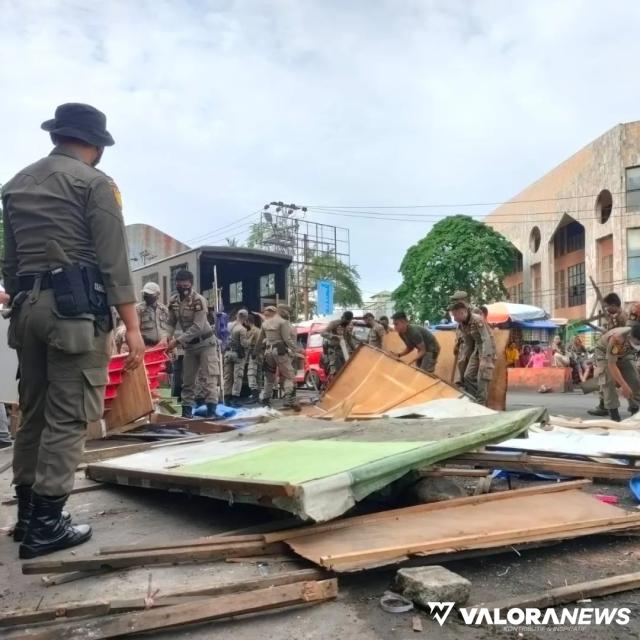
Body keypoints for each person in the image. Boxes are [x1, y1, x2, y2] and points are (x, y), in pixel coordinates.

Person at [2, 103, 145, 558]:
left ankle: (26, 518)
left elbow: (9, 264)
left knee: (35, 415)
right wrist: (133, 326)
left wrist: (24, 294)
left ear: (56, 137)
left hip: (27, 311)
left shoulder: (15, 185)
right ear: (97, 146)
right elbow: (113, 261)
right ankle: (48, 526)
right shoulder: (97, 184)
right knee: (68, 418)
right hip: (75, 317)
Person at [167, 270, 220, 418]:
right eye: (179, 284)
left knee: (209, 379)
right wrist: (165, 338)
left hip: (205, 343)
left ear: (191, 284)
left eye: (185, 284)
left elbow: (198, 326)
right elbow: (171, 323)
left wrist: (177, 341)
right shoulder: (174, 301)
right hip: (189, 346)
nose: (182, 287)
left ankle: (211, 413)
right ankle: (187, 413)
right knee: (187, 381)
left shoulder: (199, 300)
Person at [590, 293, 635, 416]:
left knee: (632, 379)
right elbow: (612, 361)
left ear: (614, 305)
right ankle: (610, 410)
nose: (606, 310)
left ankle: (634, 407)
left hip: (622, 350)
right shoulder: (615, 320)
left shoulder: (625, 319)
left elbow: (622, 339)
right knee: (606, 379)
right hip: (609, 350)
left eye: (607, 306)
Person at [449, 302, 496, 405]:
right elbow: (468, 344)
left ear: (463, 312)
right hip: (476, 349)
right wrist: (463, 358)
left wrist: (485, 358)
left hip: (487, 349)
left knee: (482, 377)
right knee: (468, 376)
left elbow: (486, 339)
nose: (454, 318)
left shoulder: (477, 319)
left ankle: (481, 404)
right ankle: (474, 401)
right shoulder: (461, 325)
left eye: (455, 315)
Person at [593, 324, 640, 421]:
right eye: (638, 343)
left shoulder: (634, 338)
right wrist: (624, 385)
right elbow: (612, 365)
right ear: (630, 337)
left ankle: (635, 408)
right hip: (604, 354)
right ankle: (614, 415)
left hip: (625, 353)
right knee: (608, 380)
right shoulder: (617, 339)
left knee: (634, 379)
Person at [257, 306, 299, 410]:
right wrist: (295, 349)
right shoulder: (283, 323)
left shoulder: (265, 324)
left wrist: (255, 352)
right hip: (280, 351)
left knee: (269, 377)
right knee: (290, 376)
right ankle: (289, 398)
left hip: (268, 352)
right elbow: (287, 339)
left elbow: (259, 340)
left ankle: (265, 400)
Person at [223, 309, 249, 406]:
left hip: (227, 353)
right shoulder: (242, 329)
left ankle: (226, 398)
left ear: (237, 315)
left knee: (227, 376)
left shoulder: (228, 325)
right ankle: (235, 398)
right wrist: (249, 342)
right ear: (245, 318)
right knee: (237, 376)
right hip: (238, 355)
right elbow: (244, 344)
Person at [322, 311, 356, 377]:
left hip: (343, 351)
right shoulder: (334, 323)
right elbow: (323, 333)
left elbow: (349, 339)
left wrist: (355, 350)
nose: (347, 323)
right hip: (333, 352)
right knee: (335, 373)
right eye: (346, 321)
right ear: (343, 318)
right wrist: (334, 336)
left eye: (349, 321)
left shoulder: (346, 325)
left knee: (345, 371)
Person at [136, 282, 170, 347]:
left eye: (150, 294)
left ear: (157, 295)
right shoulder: (138, 309)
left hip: (163, 346)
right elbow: (135, 329)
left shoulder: (164, 309)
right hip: (146, 347)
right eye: (145, 294)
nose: (147, 296)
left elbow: (168, 329)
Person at [245, 313, 262, 402]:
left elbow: (247, 343)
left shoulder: (252, 331)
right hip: (260, 354)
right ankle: (257, 395)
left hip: (253, 354)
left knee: (251, 374)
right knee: (258, 374)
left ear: (248, 321)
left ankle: (255, 395)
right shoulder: (259, 330)